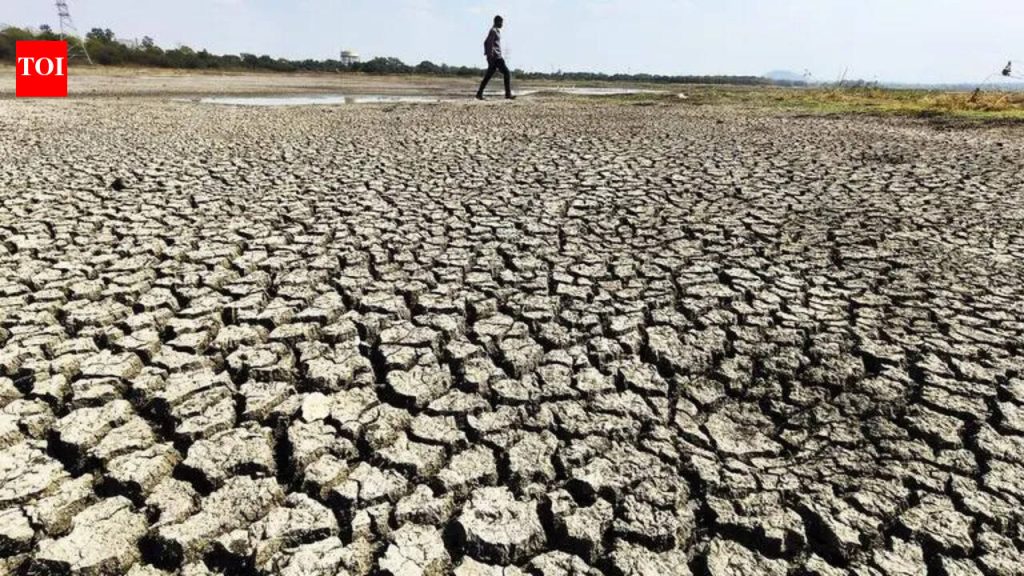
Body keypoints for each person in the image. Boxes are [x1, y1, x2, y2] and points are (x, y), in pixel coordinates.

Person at [476, 15, 515, 100]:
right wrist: (489, 56)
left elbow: (486, 42)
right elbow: (488, 43)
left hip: (496, 56)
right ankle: (508, 94)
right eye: (501, 22)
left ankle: (479, 94)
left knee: (488, 76)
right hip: (496, 57)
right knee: (507, 73)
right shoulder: (493, 31)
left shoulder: (497, 31)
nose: (502, 24)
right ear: (497, 22)